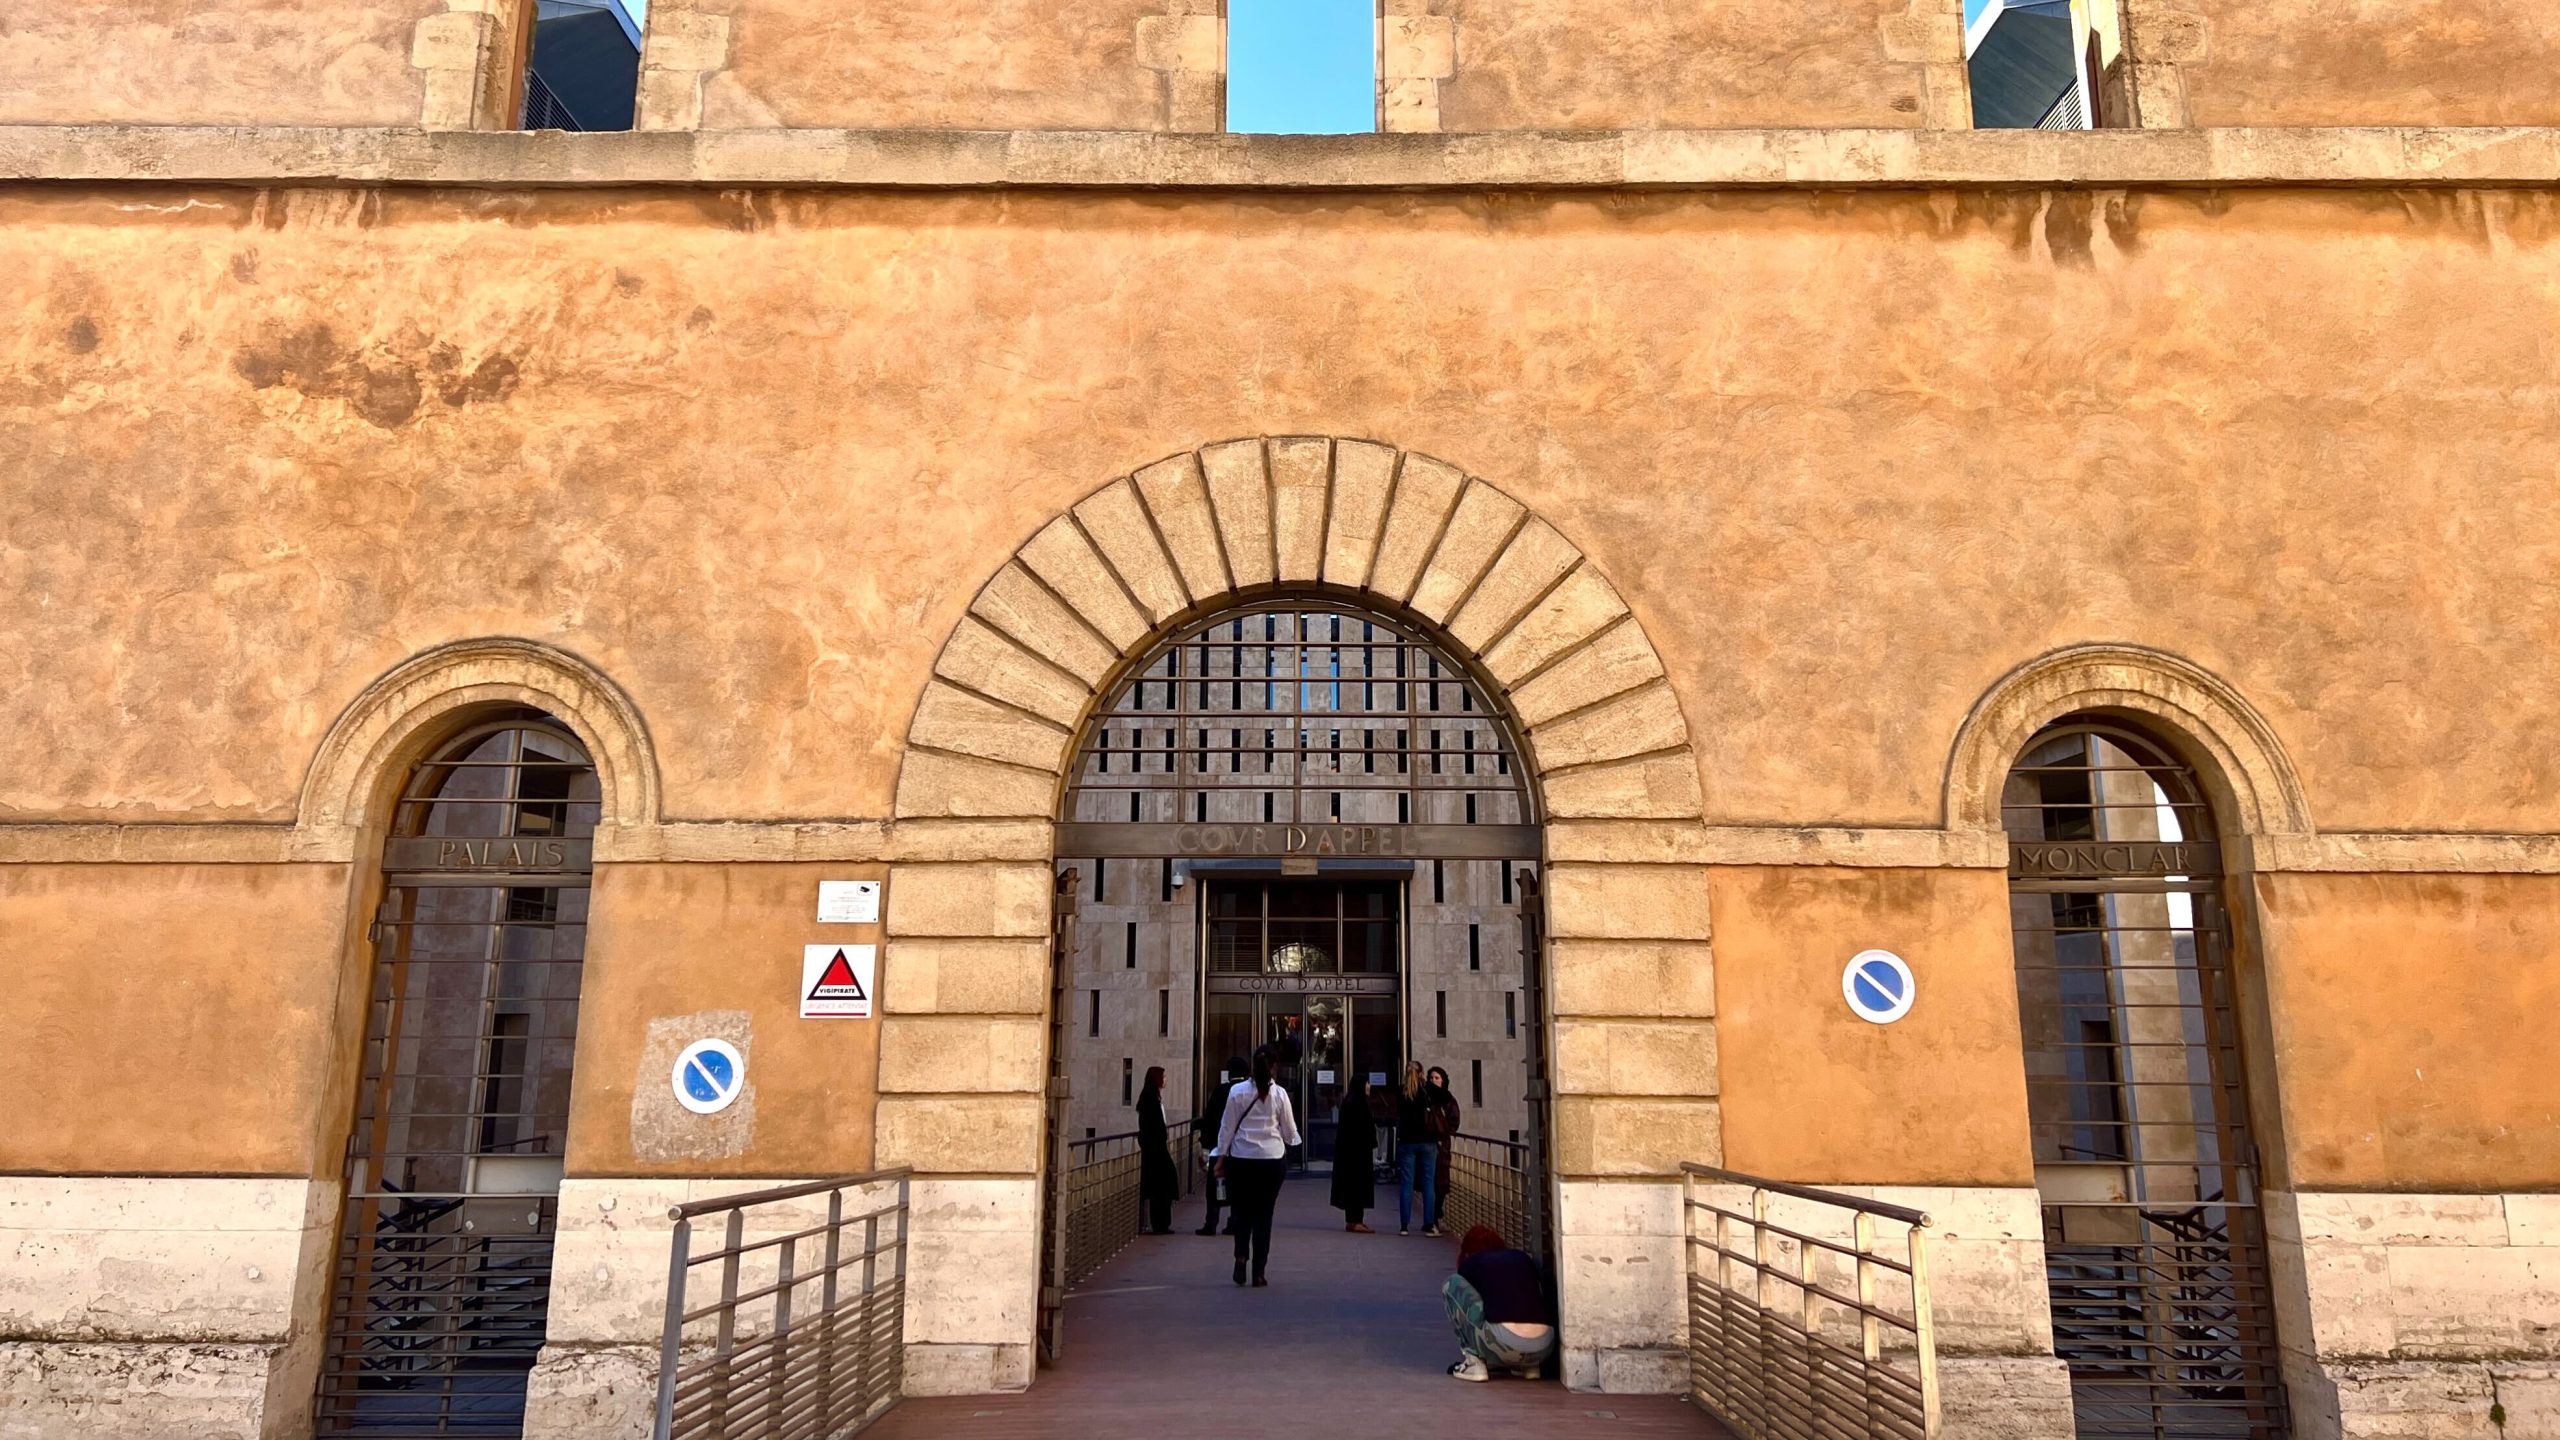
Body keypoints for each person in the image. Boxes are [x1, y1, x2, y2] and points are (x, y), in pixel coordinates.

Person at [1211, 1044, 1301, 1287]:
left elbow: (1226, 1128)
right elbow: (1290, 1131)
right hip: (1271, 1161)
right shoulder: (1280, 1094)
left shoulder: (1237, 1092)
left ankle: (1241, 1256)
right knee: (1264, 1215)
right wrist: (1289, 1142)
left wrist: (1220, 1157)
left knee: (1241, 1212)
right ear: (1273, 1067)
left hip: (1241, 1160)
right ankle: (1259, 1272)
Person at [1443, 1225, 1556, 1383]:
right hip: (1544, 1347)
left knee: (1451, 1284)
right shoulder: (1521, 1257)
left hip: (1503, 1343)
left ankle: (1473, 1363)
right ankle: (1528, 1367)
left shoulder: (1472, 1263)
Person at [1194, 1056, 1244, 1236]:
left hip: (1220, 1146)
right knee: (1238, 1189)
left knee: (1214, 1187)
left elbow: (1210, 1119)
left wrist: (1205, 1143)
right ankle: (1235, 1223)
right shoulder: (1246, 1092)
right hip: (1241, 1149)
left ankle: (1211, 1222)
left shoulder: (1221, 1091)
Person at [1393, 1062, 1441, 1237]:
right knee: (1428, 1183)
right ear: (1421, 1074)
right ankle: (1429, 1224)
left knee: (1406, 1183)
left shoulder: (1401, 1092)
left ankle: (1404, 1225)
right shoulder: (1426, 1090)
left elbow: (1398, 1114)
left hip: (1407, 1141)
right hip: (1428, 1141)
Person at [1330, 1077, 1377, 1233]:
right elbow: (1364, 1128)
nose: (1369, 1086)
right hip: (1358, 1153)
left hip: (1349, 1152)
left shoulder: (1349, 1101)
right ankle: (1356, 1220)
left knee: (1352, 1186)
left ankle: (1353, 1219)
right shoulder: (1359, 1103)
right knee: (1358, 1186)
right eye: (1367, 1082)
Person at [1136, 1065, 1178, 1235]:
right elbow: (1152, 1126)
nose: (1166, 1079)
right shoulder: (1150, 1098)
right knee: (1161, 1187)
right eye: (1164, 1076)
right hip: (1156, 1150)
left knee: (1159, 1187)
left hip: (1155, 1149)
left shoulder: (1152, 1097)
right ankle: (1160, 1224)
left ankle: (1161, 1223)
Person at [1426, 1064, 1462, 1214]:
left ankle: (1437, 1209)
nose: (1434, 1081)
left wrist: (1444, 1129)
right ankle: (1431, 1214)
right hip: (1428, 1143)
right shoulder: (1425, 1097)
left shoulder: (1448, 1099)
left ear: (1443, 1080)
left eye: (1437, 1078)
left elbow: (1455, 1121)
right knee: (1430, 1179)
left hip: (1442, 1145)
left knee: (1441, 1180)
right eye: (1431, 1078)